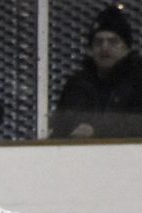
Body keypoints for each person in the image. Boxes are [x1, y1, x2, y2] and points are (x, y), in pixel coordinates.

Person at [52, 5, 142, 139]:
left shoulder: (138, 82)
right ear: (90, 49)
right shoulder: (77, 85)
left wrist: (97, 130)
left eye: (113, 42)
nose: (104, 48)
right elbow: (59, 126)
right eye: (98, 42)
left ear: (127, 48)